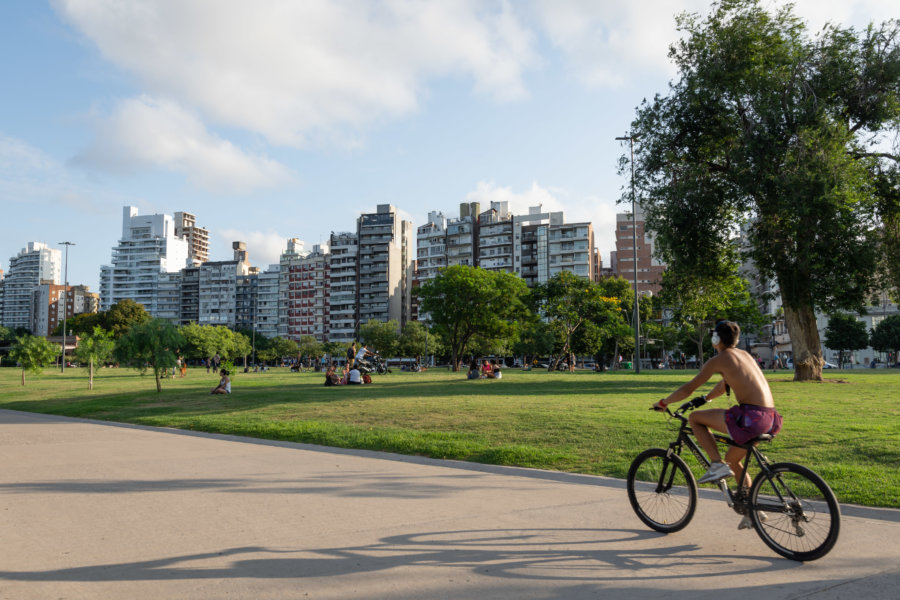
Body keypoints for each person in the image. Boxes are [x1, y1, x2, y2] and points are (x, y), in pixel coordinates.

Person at [653, 320, 783, 530]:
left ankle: (715, 465)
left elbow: (688, 388)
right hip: (769, 418)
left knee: (695, 419)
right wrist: (705, 399)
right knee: (733, 461)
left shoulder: (719, 359)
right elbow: (726, 383)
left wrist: (664, 402)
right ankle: (753, 510)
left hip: (750, 418)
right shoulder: (745, 355)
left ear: (715, 339)